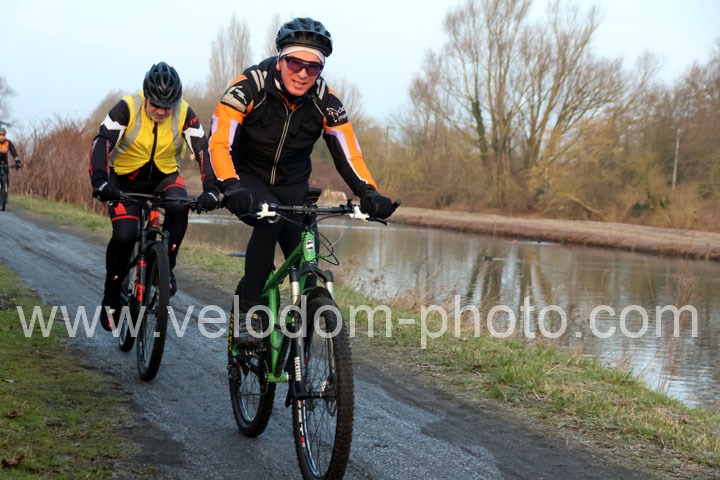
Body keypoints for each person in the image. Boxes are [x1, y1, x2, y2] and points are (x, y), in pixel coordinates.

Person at [208, 17, 398, 351]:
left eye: (313, 67)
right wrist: (229, 184)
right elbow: (220, 140)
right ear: (280, 59)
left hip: (294, 184)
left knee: (308, 263)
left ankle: (301, 357)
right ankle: (249, 313)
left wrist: (368, 191)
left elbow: (348, 153)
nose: (303, 73)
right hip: (246, 178)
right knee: (269, 221)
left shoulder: (326, 100)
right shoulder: (249, 85)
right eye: (296, 63)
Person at [89, 61, 220, 331]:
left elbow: (203, 149)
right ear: (146, 96)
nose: (161, 111)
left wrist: (211, 189)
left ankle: (165, 269)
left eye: (167, 107)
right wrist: (100, 182)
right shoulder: (127, 107)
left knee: (180, 207)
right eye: (155, 105)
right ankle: (111, 297)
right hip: (125, 179)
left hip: (164, 176)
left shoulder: (184, 113)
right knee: (125, 235)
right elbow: (102, 141)